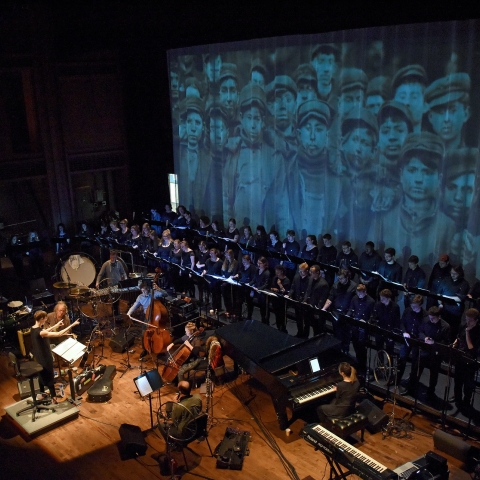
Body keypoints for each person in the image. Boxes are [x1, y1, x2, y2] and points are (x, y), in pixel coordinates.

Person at [30, 310, 80, 402]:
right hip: (45, 357)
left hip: (40, 357)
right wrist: (72, 325)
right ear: (41, 319)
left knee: (42, 375)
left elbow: (45, 331)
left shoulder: (33, 329)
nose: (45, 320)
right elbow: (58, 334)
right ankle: (54, 398)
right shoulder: (40, 332)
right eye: (45, 319)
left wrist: (56, 326)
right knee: (49, 377)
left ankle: (42, 394)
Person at [406, 306, 451, 399]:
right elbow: (420, 331)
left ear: (439, 317)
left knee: (434, 373)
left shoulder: (446, 326)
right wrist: (424, 338)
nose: (431, 320)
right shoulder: (426, 320)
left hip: (435, 353)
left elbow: (446, 342)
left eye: (433, 318)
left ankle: (431, 391)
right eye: (430, 318)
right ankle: (412, 387)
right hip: (424, 350)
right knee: (417, 369)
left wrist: (434, 343)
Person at [425, 73, 471, 153]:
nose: (446, 119)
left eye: (453, 110)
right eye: (440, 112)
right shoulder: (421, 161)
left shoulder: (474, 160)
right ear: (430, 117)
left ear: (466, 114)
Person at [127, 282, 167, 361]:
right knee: (143, 333)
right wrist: (128, 314)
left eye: (145, 290)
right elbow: (134, 306)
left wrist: (159, 289)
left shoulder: (154, 293)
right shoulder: (140, 297)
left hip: (156, 318)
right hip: (147, 317)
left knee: (159, 332)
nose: (144, 292)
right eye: (142, 291)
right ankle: (145, 349)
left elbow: (165, 294)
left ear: (148, 289)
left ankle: (161, 351)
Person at [322, 268, 358, 353]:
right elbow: (330, 298)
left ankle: (345, 351)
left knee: (346, 334)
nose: (340, 280)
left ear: (347, 277)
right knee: (337, 333)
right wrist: (323, 308)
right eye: (339, 278)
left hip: (347, 314)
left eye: (341, 278)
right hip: (336, 313)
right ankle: (337, 352)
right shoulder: (336, 285)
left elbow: (355, 301)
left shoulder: (354, 286)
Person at [452, 308, 480, 413]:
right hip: (460, 358)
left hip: (470, 361)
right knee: (457, 381)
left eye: (470, 320)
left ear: (476, 320)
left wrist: (468, 332)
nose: (467, 322)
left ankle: (466, 402)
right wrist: (454, 345)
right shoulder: (464, 326)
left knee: (468, 384)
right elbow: (458, 337)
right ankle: (458, 400)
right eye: (466, 319)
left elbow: (471, 348)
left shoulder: (477, 331)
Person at [398, 295, 425, 390]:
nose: (413, 308)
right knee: (401, 359)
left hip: (417, 342)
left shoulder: (424, 315)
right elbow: (402, 323)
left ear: (420, 305)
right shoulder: (408, 311)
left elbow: (423, 330)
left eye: (415, 306)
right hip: (407, 339)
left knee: (415, 363)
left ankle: (411, 384)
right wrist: (404, 332)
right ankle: (397, 379)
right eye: (412, 306)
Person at [347, 284, 375, 376]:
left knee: (362, 348)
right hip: (355, 325)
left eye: (360, 294)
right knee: (355, 345)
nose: (359, 295)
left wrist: (366, 321)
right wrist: (348, 315)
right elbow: (351, 309)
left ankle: (363, 367)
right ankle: (359, 364)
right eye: (358, 293)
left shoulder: (371, 301)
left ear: (365, 292)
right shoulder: (354, 298)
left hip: (363, 327)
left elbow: (372, 316)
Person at [392, 64, 428, 133]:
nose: (407, 102)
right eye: (402, 97)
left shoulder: (432, 143)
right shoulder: (384, 142)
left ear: (425, 106)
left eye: (414, 97)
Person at [437, 264, 470, 338]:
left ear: (460, 273)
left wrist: (444, 297)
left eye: (455, 274)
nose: (452, 275)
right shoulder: (446, 280)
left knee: (452, 331)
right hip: (444, 310)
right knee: (442, 330)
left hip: (455, 312)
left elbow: (460, 299)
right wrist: (440, 303)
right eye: (451, 273)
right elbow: (439, 293)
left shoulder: (464, 283)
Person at [96, 250, 127, 316]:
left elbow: (123, 272)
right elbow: (100, 274)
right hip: (110, 285)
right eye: (111, 257)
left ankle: (116, 313)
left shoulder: (119, 263)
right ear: (110, 256)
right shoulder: (106, 264)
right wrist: (97, 282)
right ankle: (115, 313)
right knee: (114, 300)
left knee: (117, 300)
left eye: (114, 257)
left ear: (116, 257)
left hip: (118, 285)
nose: (113, 259)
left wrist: (125, 279)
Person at [287, 262, 312, 338]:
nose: (300, 273)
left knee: (306, 320)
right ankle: (299, 332)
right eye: (299, 271)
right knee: (298, 318)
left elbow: (309, 291)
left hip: (306, 302)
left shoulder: (310, 279)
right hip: (297, 301)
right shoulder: (296, 277)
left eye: (302, 271)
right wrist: (289, 295)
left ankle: (305, 335)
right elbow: (293, 288)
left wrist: (305, 301)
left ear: (307, 271)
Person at [373, 289, 400, 356]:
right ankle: (380, 365)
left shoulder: (395, 307)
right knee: (379, 350)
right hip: (380, 330)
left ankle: (389, 366)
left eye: (383, 298)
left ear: (388, 298)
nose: (381, 299)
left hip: (389, 332)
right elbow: (375, 316)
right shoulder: (378, 305)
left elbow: (396, 322)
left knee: (389, 352)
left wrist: (393, 335)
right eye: (380, 297)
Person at [246, 256, 271, 324]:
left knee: (263, 309)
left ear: (264, 264)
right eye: (258, 263)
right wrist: (249, 284)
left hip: (262, 293)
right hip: (256, 291)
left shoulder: (267, 273)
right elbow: (254, 280)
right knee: (250, 303)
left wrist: (258, 289)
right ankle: (249, 317)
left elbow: (266, 284)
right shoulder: (257, 270)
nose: (258, 264)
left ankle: (265, 322)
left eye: (260, 263)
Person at [307, 264, 330, 336]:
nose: (310, 274)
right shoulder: (311, 279)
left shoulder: (324, 284)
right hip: (311, 306)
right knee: (314, 326)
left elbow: (322, 299)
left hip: (318, 309)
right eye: (310, 272)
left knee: (319, 327)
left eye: (312, 272)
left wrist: (318, 311)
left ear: (317, 273)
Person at [270, 264, 291, 333]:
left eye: (278, 272)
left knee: (282, 316)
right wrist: (273, 289)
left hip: (282, 302)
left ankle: (283, 329)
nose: (276, 273)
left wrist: (280, 285)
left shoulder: (286, 280)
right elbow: (271, 287)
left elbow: (285, 291)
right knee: (277, 315)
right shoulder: (274, 278)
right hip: (275, 300)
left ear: (281, 271)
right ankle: (278, 327)